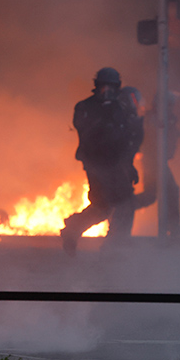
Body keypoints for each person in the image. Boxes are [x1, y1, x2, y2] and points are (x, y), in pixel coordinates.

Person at [61, 68, 143, 254]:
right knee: (109, 204)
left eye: (111, 87)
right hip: (96, 163)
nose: (107, 90)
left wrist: (128, 166)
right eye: (103, 86)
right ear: (96, 86)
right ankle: (111, 244)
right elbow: (87, 132)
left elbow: (124, 139)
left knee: (117, 203)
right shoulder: (85, 107)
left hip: (116, 163)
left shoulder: (119, 108)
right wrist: (103, 117)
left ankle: (83, 233)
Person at [136, 91, 180, 236]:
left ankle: (173, 225)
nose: (172, 108)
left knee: (154, 194)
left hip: (158, 161)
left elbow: (171, 130)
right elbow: (150, 132)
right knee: (164, 192)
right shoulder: (151, 118)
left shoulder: (166, 119)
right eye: (169, 104)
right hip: (152, 161)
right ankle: (120, 210)